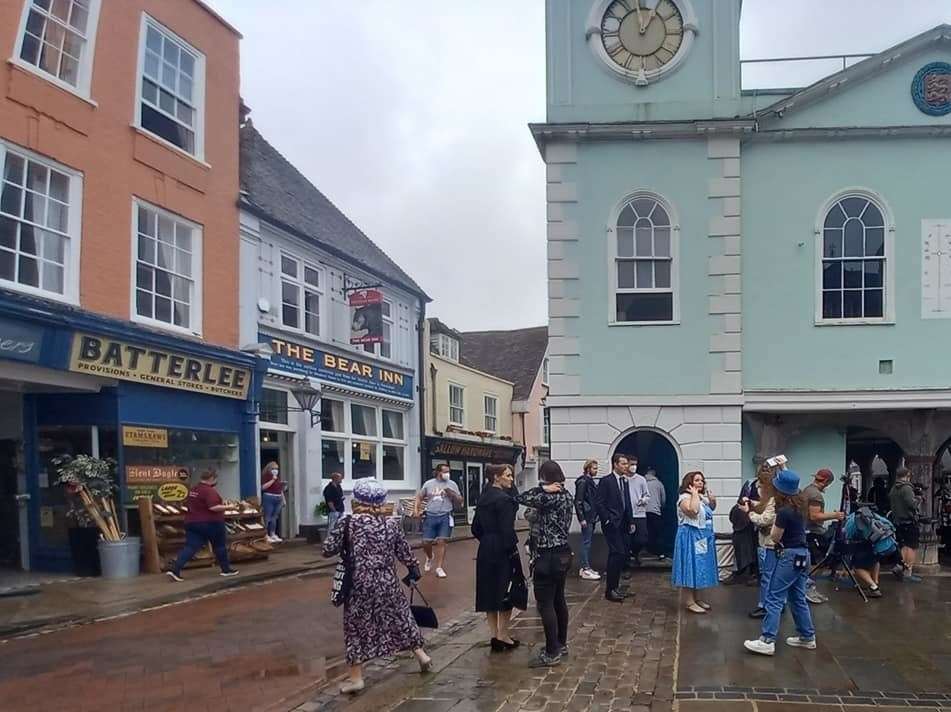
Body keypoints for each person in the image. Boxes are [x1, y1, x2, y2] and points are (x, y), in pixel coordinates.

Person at [322, 478, 431, 694]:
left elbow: (327, 549)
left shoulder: (348, 522)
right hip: (387, 581)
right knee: (400, 617)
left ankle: (356, 678)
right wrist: (413, 568)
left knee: (356, 627)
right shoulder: (391, 523)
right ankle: (422, 655)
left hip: (359, 583)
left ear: (358, 499)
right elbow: (404, 552)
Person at [744, 469, 817, 657]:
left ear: (779, 490)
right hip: (803, 555)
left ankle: (767, 640)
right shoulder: (800, 507)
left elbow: (775, 537)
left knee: (774, 597)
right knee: (797, 597)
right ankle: (807, 636)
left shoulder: (784, 511)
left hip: (789, 556)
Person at [518, 460, 574, 668]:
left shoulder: (549, 496)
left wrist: (543, 488)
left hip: (547, 555)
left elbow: (521, 497)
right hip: (563, 553)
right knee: (559, 599)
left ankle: (552, 651)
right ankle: (561, 643)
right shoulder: (566, 495)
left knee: (545, 604)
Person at [472, 463, 524, 651]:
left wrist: (487, 540)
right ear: (496, 477)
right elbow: (506, 530)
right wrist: (512, 552)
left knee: (489, 592)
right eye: (508, 475)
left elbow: (475, 528)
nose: (511, 479)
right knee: (506, 591)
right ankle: (503, 635)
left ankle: (494, 635)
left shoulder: (483, 498)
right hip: (502, 549)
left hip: (486, 548)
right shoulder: (504, 500)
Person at [166, 470, 239, 582]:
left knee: (191, 547)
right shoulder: (209, 491)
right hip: (211, 523)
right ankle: (226, 570)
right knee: (219, 546)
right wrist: (231, 507)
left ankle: (175, 569)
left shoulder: (194, 490)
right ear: (211, 479)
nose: (216, 481)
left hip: (191, 522)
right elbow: (213, 507)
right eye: (215, 479)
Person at [672, 471, 718, 614]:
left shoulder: (701, 497)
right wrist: (694, 495)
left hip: (702, 536)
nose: (700, 483)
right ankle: (689, 601)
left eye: (702, 480)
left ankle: (697, 598)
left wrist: (712, 500)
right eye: (697, 480)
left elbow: (710, 510)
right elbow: (693, 511)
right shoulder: (684, 498)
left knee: (699, 567)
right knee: (689, 567)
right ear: (689, 482)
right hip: (689, 536)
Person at [802, 468, 845, 603]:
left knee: (814, 561)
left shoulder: (807, 489)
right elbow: (814, 516)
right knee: (819, 562)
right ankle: (807, 589)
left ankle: (808, 587)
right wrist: (835, 515)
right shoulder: (816, 495)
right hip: (813, 532)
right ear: (826, 482)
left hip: (806, 530)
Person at [595, 453, 633, 602]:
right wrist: (607, 520)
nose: (626, 467)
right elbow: (599, 502)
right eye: (623, 464)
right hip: (612, 523)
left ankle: (616, 587)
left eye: (627, 464)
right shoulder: (606, 481)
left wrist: (630, 521)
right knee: (616, 553)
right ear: (615, 464)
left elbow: (627, 502)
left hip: (623, 522)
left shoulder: (625, 481)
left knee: (622, 554)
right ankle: (610, 590)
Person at [740, 463, 777, 618]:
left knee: (767, 575)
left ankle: (765, 606)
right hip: (772, 540)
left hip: (769, 540)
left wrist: (749, 512)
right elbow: (764, 506)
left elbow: (764, 518)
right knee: (773, 575)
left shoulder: (774, 496)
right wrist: (752, 502)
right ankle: (776, 604)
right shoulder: (779, 494)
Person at [414, 464, 462, 578]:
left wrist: (452, 493)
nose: (447, 474)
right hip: (430, 515)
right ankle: (430, 556)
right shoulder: (429, 484)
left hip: (445, 515)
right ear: (438, 472)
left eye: (448, 471)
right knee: (426, 542)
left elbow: (460, 500)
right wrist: (416, 510)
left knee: (442, 541)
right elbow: (419, 497)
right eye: (445, 472)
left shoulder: (452, 484)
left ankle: (439, 567)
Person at [844, 506, 898, 597]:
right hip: (883, 545)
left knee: (857, 567)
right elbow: (889, 524)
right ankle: (875, 581)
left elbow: (848, 536)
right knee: (875, 560)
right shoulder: (872, 514)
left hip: (869, 545)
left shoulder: (851, 520)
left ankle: (873, 587)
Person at [889, 466, 922, 582]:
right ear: (907, 475)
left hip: (898, 521)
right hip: (909, 521)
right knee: (912, 546)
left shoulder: (893, 488)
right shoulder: (906, 488)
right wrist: (918, 498)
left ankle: (900, 566)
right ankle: (907, 573)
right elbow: (911, 504)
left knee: (903, 545)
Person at [574, 459, 601, 580]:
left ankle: (584, 567)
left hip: (591, 516)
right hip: (588, 517)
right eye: (594, 468)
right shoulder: (583, 482)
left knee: (587, 542)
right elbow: (578, 501)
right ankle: (585, 568)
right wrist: (582, 518)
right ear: (588, 468)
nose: (596, 470)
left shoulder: (588, 481)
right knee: (586, 543)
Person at [626, 460, 650, 566]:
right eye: (631, 464)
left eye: (635, 464)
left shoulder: (641, 479)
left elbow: (647, 495)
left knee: (642, 539)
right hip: (626, 514)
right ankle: (627, 560)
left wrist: (643, 500)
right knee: (627, 538)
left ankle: (635, 553)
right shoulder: (623, 479)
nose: (633, 467)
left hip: (640, 513)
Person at [644, 468, 667, 559]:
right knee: (657, 533)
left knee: (645, 532)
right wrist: (661, 506)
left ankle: (644, 550)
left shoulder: (642, 482)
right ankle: (659, 552)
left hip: (643, 512)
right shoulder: (659, 484)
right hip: (655, 511)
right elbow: (663, 498)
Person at [260, 461, 285, 543]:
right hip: (269, 497)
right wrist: (272, 480)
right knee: (267, 517)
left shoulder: (277, 477)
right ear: (269, 469)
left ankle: (273, 533)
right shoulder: (266, 476)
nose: (275, 470)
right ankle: (265, 534)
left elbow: (280, 489)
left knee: (275, 517)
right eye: (273, 468)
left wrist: (283, 499)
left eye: (277, 469)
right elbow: (263, 487)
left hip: (278, 498)